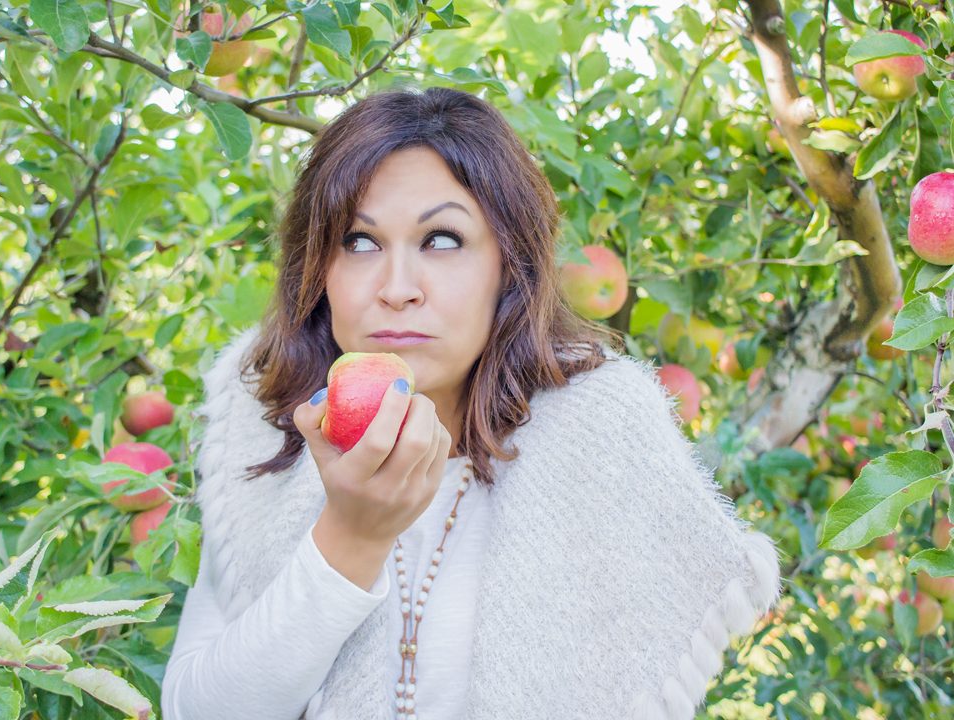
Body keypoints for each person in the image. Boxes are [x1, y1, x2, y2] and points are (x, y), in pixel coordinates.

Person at [160, 85, 782, 720]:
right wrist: (347, 539)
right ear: (319, 271)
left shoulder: (596, 443)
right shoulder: (270, 432)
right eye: (360, 241)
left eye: (443, 240)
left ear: (509, 267)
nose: (397, 289)